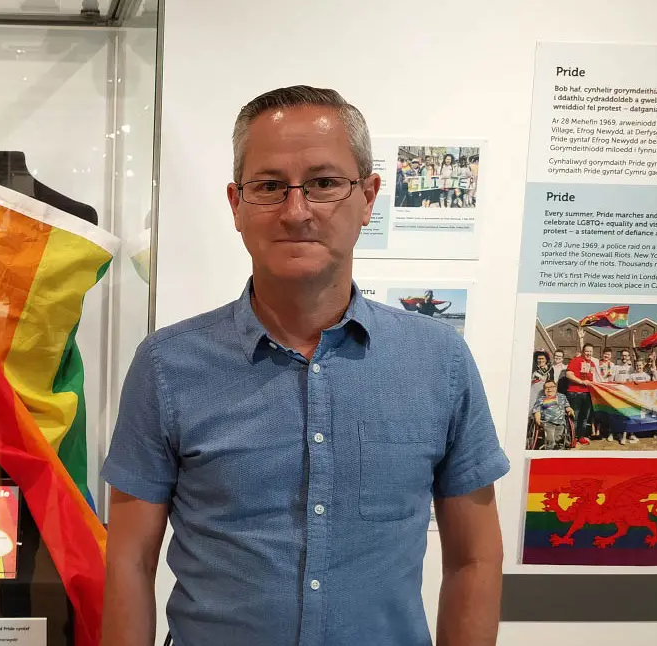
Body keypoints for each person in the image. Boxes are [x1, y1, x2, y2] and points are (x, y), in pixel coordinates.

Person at [100, 86, 509, 646]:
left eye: (323, 183)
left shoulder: (439, 362)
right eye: (269, 187)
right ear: (236, 204)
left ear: (368, 197)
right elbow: (128, 560)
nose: (296, 211)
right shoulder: (168, 365)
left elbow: (475, 559)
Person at [565, 343, 601, 444]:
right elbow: (568, 374)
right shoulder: (575, 360)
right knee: (574, 417)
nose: (589, 353)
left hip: (587, 394)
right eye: (587, 351)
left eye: (590, 351)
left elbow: (592, 378)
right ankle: (572, 438)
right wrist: (581, 382)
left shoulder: (592, 364)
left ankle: (581, 437)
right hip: (575, 393)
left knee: (584, 418)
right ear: (583, 351)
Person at [531, 380, 574, 450]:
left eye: (551, 387)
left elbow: (567, 406)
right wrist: (537, 418)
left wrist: (570, 410)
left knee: (558, 438)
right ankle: (550, 449)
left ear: (556, 388)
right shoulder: (541, 399)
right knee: (550, 439)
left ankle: (558, 447)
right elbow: (537, 410)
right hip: (547, 422)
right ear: (544, 390)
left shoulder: (562, 397)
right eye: (546, 387)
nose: (549, 389)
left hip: (560, 422)